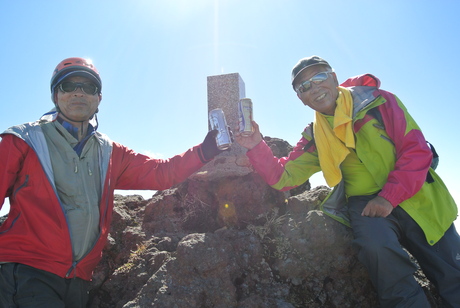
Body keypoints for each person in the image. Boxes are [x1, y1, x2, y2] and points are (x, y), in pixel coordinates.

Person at [235, 55, 460, 307]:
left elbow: (416, 151)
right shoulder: (316, 135)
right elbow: (284, 176)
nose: (315, 88)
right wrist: (255, 145)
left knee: (454, 277)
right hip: (366, 206)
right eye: (305, 87)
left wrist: (388, 197)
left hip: (419, 195)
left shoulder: (379, 102)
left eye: (319, 77)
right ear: (300, 98)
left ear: (333, 77)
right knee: (379, 255)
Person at [0, 57, 222, 307]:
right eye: (68, 85)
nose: (78, 93)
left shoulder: (109, 151)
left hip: (79, 279)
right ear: (55, 95)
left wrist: (205, 151)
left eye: (89, 87)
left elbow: (162, 173)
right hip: (28, 271)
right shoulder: (22, 140)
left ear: (99, 99)